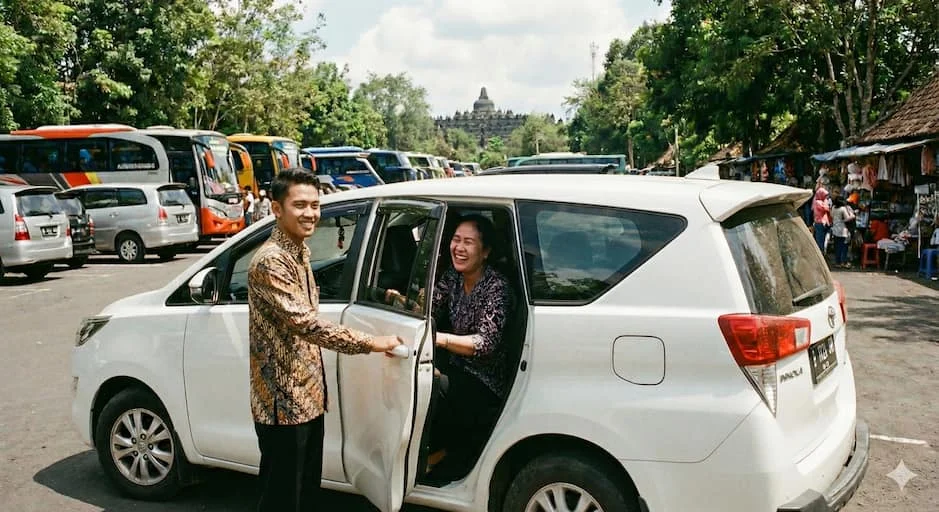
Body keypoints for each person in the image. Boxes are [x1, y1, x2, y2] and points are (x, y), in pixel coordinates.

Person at [248, 168, 403, 512]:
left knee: (305, 496)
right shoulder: (271, 262)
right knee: (282, 499)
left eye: (315, 205)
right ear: (276, 209)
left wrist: (384, 295)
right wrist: (371, 343)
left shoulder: (299, 252)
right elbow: (307, 325)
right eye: (300, 205)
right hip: (282, 406)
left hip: (308, 398)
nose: (311, 214)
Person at [391, 214, 512, 483]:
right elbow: (426, 308)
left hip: (486, 379)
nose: (459, 247)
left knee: (428, 384)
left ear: (485, 252)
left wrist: (438, 339)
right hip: (456, 367)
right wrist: (394, 300)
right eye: (456, 240)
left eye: (468, 242)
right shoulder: (453, 278)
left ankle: (442, 455)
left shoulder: (497, 287)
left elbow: (485, 343)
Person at [831, 197, 855, 269]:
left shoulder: (833, 208)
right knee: (844, 247)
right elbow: (847, 218)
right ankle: (843, 262)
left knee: (837, 247)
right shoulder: (843, 209)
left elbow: (831, 216)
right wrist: (852, 215)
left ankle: (837, 262)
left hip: (835, 230)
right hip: (843, 230)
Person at [812, 187, 832, 255]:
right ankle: (820, 254)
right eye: (824, 195)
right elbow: (826, 208)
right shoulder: (818, 202)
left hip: (825, 222)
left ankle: (823, 252)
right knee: (820, 239)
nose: (826, 197)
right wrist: (826, 203)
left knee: (824, 239)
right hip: (819, 222)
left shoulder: (822, 201)